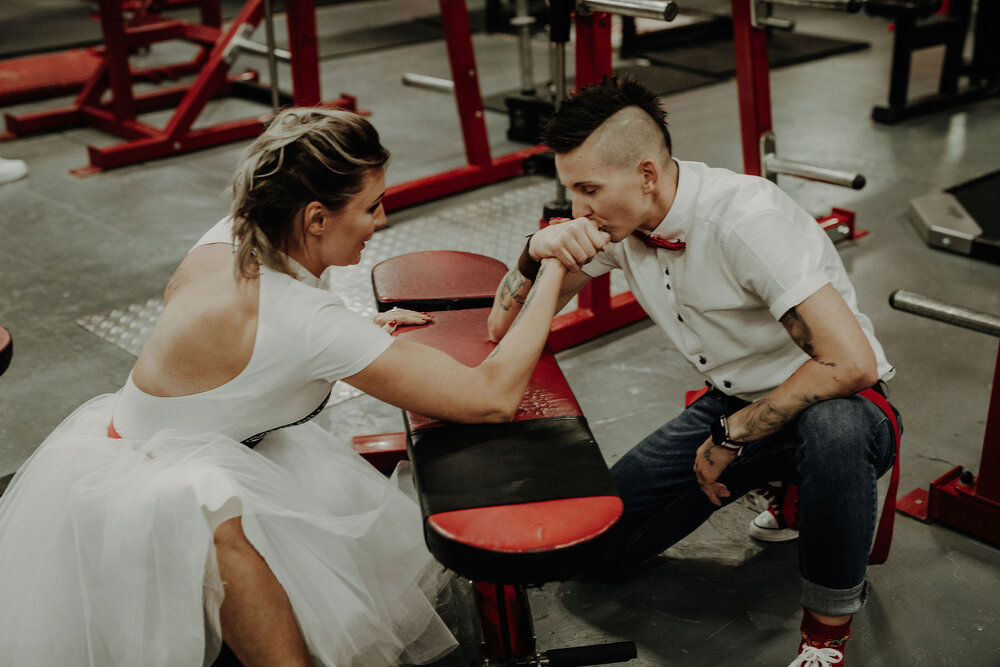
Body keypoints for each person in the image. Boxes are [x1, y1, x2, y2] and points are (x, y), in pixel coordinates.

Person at [0, 107, 568, 666]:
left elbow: (247, 346)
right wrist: (550, 270)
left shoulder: (229, 236)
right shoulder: (306, 321)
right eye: (371, 207)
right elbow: (490, 399)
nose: (383, 221)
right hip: (176, 500)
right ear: (316, 218)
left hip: (127, 451)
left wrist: (355, 336)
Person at [487, 76, 898, 667]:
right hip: (734, 401)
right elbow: (507, 326)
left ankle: (825, 636)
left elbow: (850, 363)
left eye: (588, 189)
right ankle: (785, 482)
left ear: (647, 175)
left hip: (840, 405)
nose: (578, 208)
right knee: (601, 553)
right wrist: (539, 248)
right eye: (570, 190)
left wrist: (729, 439)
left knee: (836, 432)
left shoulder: (746, 219)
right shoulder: (616, 222)